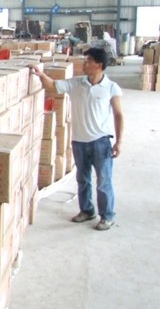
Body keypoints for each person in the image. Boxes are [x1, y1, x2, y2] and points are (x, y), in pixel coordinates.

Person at [30, 47, 124, 231]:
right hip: (79, 142)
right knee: (83, 179)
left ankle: (107, 216)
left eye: (88, 61)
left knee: (103, 181)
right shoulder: (76, 83)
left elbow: (118, 115)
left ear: (99, 65)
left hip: (100, 142)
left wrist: (119, 142)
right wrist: (40, 74)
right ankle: (87, 210)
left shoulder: (111, 88)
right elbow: (52, 85)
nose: (84, 64)